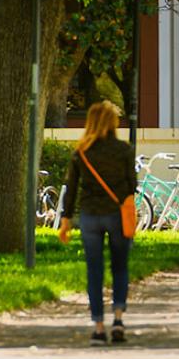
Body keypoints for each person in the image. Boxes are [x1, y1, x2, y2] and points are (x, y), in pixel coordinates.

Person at [58, 101, 139, 345]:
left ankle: (98, 327)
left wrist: (65, 220)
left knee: (94, 271)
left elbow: (71, 189)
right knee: (119, 267)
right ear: (113, 122)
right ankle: (118, 320)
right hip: (117, 215)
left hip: (90, 215)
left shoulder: (81, 151)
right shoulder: (124, 150)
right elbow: (133, 185)